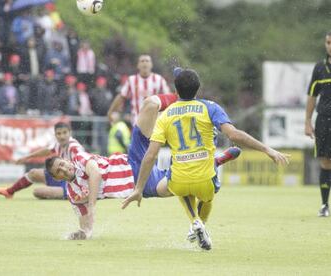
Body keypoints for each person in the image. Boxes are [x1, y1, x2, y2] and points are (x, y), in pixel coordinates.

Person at [122, 68, 290, 250]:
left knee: (175, 183)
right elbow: (235, 135)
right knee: (207, 190)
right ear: (198, 88)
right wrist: (267, 149)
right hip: (205, 180)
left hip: (179, 179)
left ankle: (195, 221)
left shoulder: (167, 115)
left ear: (175, 91)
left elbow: (151, 155)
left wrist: (138, 188)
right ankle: (202, 214)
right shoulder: (210, 107)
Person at [46, 90, 241, 240]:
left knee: (150, 103)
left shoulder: (79, 157)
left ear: (67, 160)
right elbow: (85, 221)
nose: (64, 168)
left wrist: (92, 203)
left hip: (134, 161)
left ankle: (183, 96)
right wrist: (84, 232)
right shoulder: (73, 194)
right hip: (141, 186)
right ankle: (214, 161)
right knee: (181, 185)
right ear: (57, 178)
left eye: (62, 164)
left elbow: (95, 173)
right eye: (59, 171)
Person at [0, 122, 85, 200]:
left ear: (70, 133)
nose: (62, 136)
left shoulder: (75, 148)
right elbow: (47, 151)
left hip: (73, 184)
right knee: (33, 173)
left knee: (38, 192)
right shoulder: (59, 145)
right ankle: (9, 192)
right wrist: (27, 157)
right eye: (59, 134)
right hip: (62, 178)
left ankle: (73, 194)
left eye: (65, 133)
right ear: (55, 135)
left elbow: (84, 167)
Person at [305, 31, 331, 217]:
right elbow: (312, 96)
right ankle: (324, 205)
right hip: (324, 121)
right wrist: (307, 121)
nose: (330, 45)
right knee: (325, 161)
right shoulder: (320, 68)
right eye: (328, 42)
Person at [107, 54, 170, 124]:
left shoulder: (159, 79)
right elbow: (121, 96)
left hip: (154, 122)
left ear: (151, 65)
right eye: (142, 61)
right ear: (138, 65)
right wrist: (111, 111)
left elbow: (168, 97)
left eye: (147, 61)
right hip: (137, 122)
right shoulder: (131, 80)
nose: (145, 63)